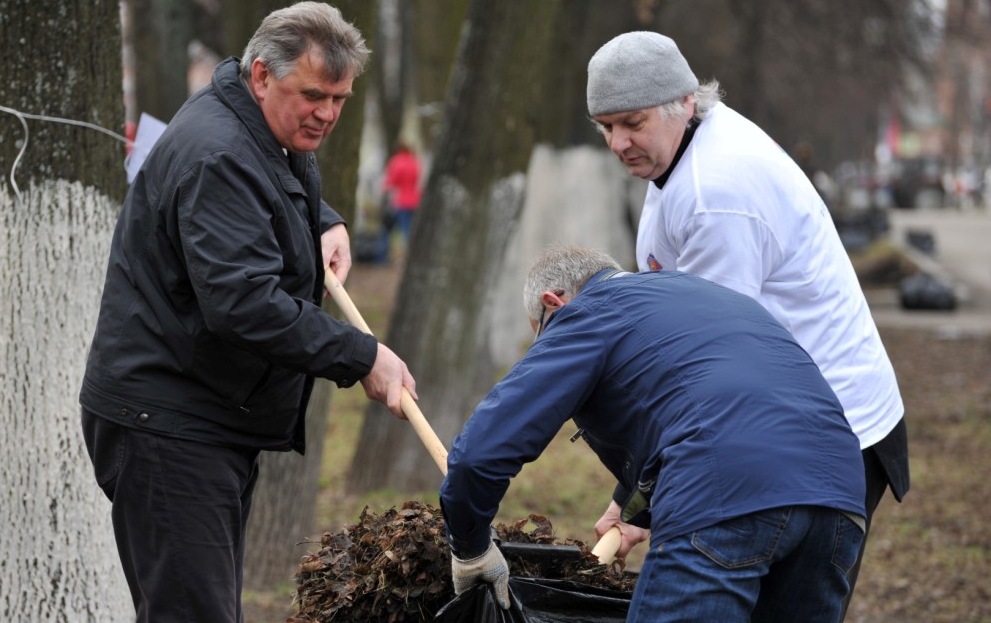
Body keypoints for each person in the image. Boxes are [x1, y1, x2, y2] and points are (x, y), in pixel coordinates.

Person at [79, 2, 417, 623]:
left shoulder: (258, 122)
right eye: (314, 94)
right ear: (262, 74)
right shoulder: (220, 153)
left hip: (205, 413)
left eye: (340, 99)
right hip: (169, 424)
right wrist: (362, 355)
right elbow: (245, 305)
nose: (327, 114)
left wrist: (327, 220)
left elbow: (270, 187)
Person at [586, 31, 909, 618]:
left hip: (836, 429)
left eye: (630, 122)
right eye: (605, 127)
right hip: (780, 418)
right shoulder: (685, 149)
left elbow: (711, 371)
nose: (617, 142)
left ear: (683, 101)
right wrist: (640, 500)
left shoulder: (718, 194)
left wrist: (640, 499)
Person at [441, 246, 866, 620]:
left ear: (553, 303)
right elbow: (712, 401)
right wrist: (628, 509)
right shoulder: (700, 296)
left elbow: (479, 454)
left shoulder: (587, 312)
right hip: (840, 491)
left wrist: (471, 549)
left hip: (726, 487)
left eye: (540, 331)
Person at [380, 141, 422, 261]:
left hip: (399, 201)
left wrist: (383, 188)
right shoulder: (414, 162)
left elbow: (392, 181)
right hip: (414, 200)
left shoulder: (397, 161)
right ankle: (411, 257)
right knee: (407, 230)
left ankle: (382, 258)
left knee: (386, 231)